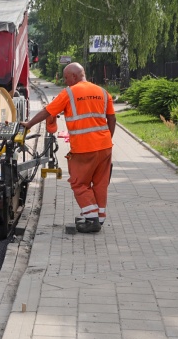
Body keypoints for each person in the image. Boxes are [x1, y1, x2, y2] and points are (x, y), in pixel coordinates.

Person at [21, 62, 115, 234]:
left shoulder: (69, 93)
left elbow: (47, 111)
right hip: (105, 147)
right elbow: (112, 119)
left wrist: (28, 124)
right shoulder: (102, 92)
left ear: (74, 76)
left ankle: (91, 219)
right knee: (101, 183)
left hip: (83, 148)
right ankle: (98, 217)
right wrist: (108, 140)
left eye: (66, 78)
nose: (65, 81)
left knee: (79, 183)